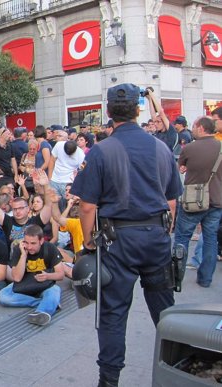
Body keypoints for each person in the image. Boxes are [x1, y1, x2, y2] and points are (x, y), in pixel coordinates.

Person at [71, 83, 182, 387]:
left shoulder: (101, 150)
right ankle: (180, 367)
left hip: (117, 241)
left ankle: (108, 381)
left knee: (113, 314)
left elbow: (87, 206)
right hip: (155, 236)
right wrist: (164, 229)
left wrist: (89, 240)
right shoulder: (161, 147)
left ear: (108, 111)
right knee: (164, 309)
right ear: (137, 110)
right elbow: (172, 199)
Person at [174, 116, 222, 288]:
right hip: (216, 200)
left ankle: (176, 277)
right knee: (210, 239)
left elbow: (181, 166)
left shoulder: (190, 148)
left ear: (201, 128)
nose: (192, 129)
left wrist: (186, 168)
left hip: (193, 201)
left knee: (182, 238)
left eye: (194, 126)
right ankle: (205, 279)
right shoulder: (221, 146)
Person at [0, 224, 63, 326]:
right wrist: (23, 255)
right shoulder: (19, 250)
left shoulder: (50, 248)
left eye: (33, 243)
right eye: (26, 243)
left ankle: (41, 312)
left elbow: (60, 274)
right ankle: (46, 303)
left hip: (43, 285)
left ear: (41, 241)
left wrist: (47, 276)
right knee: (3, 296)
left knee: (55, 290)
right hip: (23, 285)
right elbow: (17, 278)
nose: (29, 247)